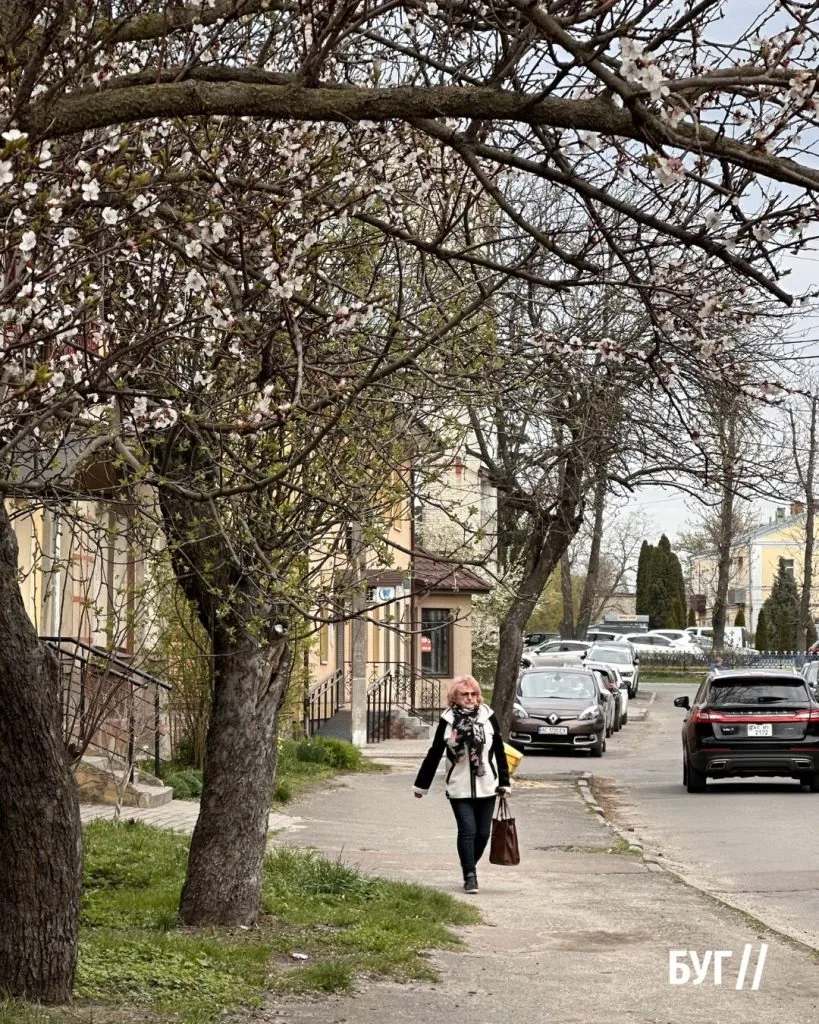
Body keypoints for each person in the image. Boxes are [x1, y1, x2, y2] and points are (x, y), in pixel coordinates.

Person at [413, 675, 510, 894]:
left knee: (483, 834)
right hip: (459, 786)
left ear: (478, 696)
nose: (470, 698)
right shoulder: (448, 720)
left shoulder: (488, 717)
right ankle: (470, 876)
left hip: (487, 785)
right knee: (468, 830)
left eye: (473, 694)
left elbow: (500, 752)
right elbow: (435, 752)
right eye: (464, 694)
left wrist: (504, 782)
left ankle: (469, 864)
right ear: (455, 698)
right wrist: (421, 785)